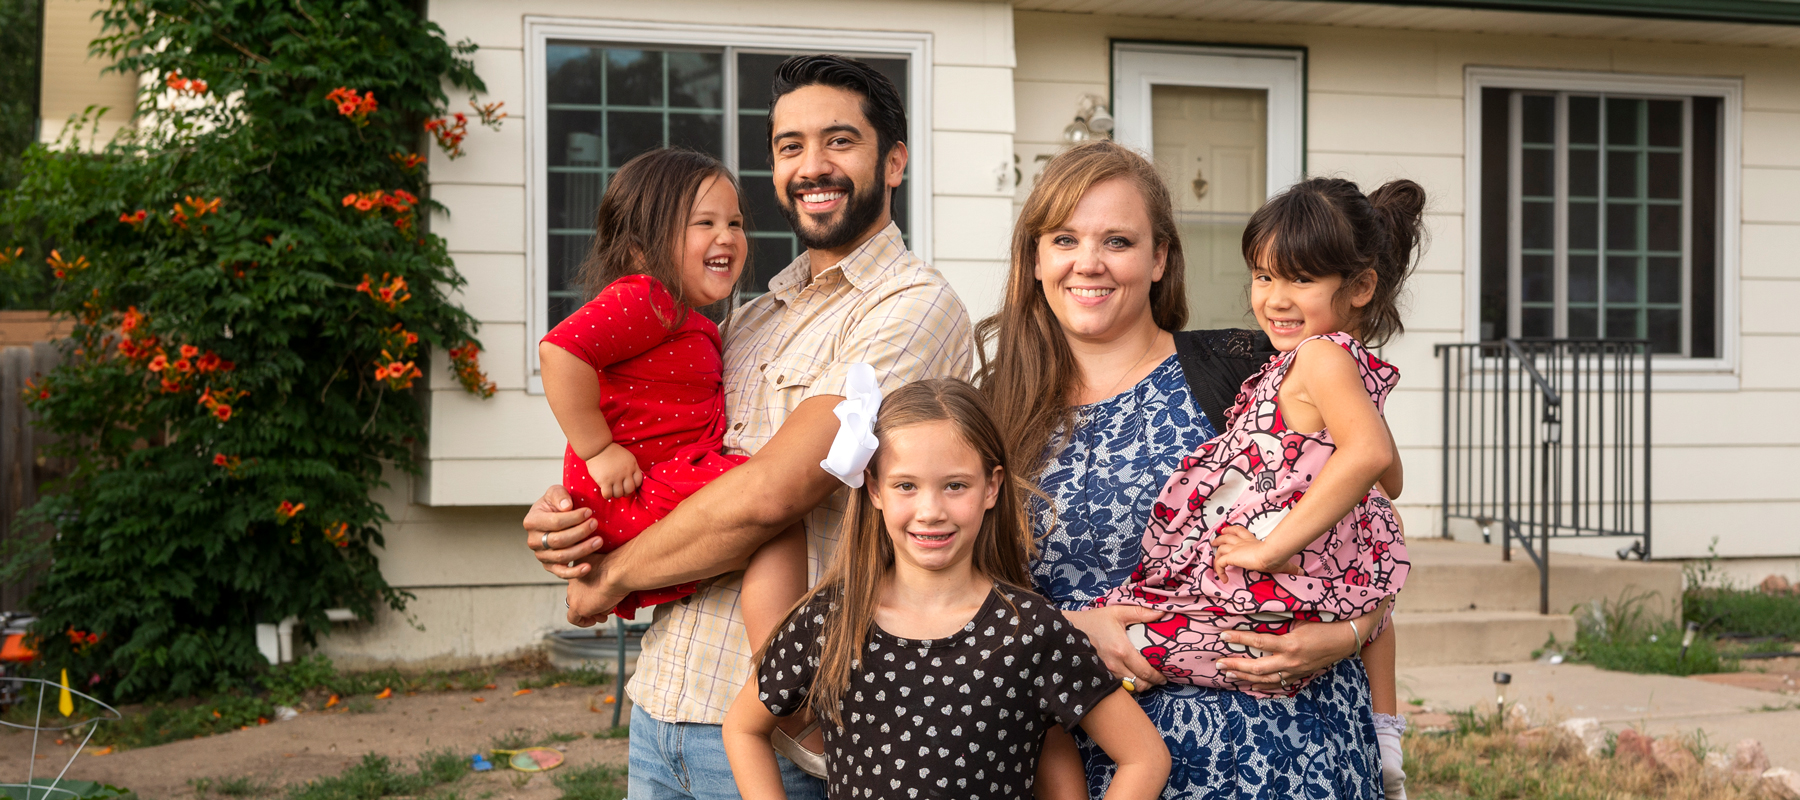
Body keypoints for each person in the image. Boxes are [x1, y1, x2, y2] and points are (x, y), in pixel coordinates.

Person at [521, 55, 972, 800]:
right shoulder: (749, 316)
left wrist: (612, 580)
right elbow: (667, 452)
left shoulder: (911, 308)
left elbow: (772, 495)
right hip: (662, 702)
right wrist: (571, 520)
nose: (812, 166)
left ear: (894, 161)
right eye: (790, 146)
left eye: (839, 141)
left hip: (779, 733)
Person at [977, 139, 1392, 800]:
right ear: (1034, 257)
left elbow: (1365, 527)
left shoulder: (1250, 369)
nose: (1088, 263)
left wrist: (1350, 632)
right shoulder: (992, 412)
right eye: (1063, 239)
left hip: (1275, 753)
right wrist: (1068, 628)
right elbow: (949, 592)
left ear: (1159, 258)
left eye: (1117, 241)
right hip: (1083, 766)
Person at [1091, 176, 1423, 797]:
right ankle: (1386, 737)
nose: (1274, 298)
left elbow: (1372, 455)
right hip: (1307, 576)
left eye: (1300, 279)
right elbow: (1390, 475)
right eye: (1264, 277)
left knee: (1100, 668)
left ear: (1360, 287)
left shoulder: (1319, 358)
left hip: (1269, 580)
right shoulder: (1329, 362)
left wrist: (1272, 546)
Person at [722, 378, 1170, 800]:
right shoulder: (830, 619)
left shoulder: (1032, 630)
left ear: (992, 487)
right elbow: (743, 728)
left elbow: (1144, 758)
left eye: (955, 486)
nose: (931, 510)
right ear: (875, 489)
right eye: (906, 486)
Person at [537, 148, 808, 650]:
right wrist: (598, 449)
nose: (726, 235)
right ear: (641, 248)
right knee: (777, 514)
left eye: (735, 222)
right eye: (703, 223)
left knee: (766, 518)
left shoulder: (688, 320)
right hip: (636, 487)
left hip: (644, 484)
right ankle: (778, 677)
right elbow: (560, 352)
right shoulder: (648, 298)